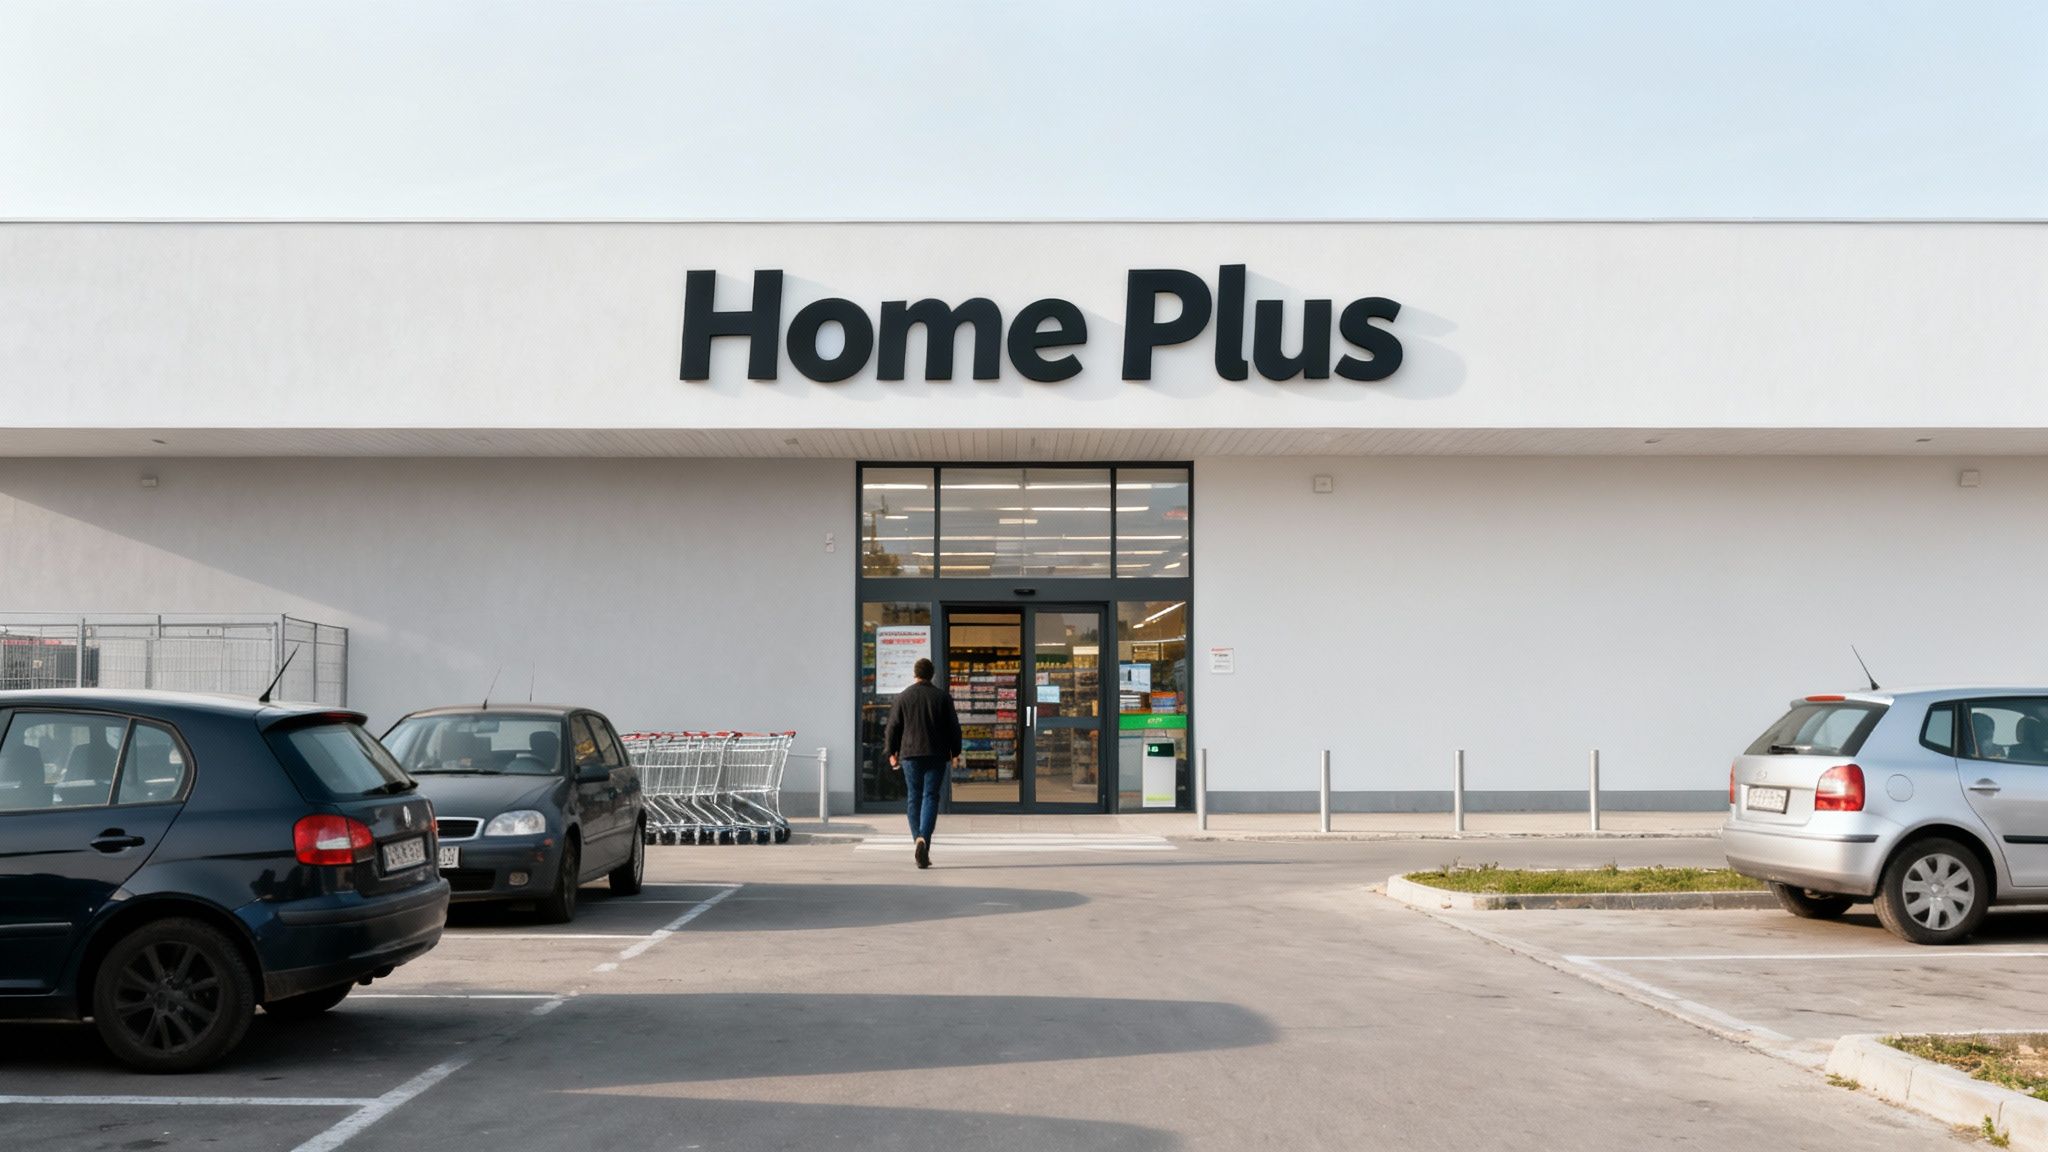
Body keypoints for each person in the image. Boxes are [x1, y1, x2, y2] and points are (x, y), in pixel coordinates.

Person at [884, 657, 962, 869]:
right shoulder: (942, 697)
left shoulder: (904, 696)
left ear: (915, 674)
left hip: (910, 754)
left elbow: (893, 727)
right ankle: (924, 841)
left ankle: (917, 839)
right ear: (932, 674)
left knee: (914, 797)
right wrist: (956, 751)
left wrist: (891, 751)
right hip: (936, 754)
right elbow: (953, 727)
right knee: (930, 797)